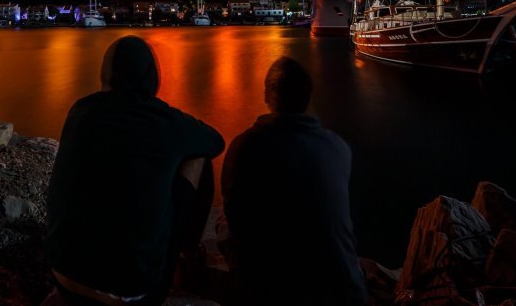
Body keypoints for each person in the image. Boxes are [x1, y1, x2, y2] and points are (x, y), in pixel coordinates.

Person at [45, 36, 225, 306]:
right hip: (134, 292)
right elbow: (215, 141)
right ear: (152, 77)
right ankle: (187, 259)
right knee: (197, 155)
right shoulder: (165, 121)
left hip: (64, 276)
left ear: (106, 75)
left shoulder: (80, 111)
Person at [221, 56, 366, 306]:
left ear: (267, 96)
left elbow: (235, 216)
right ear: (308, 98)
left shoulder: (245, 147)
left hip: (273, 291)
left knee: (222, 225)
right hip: (345, 291)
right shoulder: (338, 147)